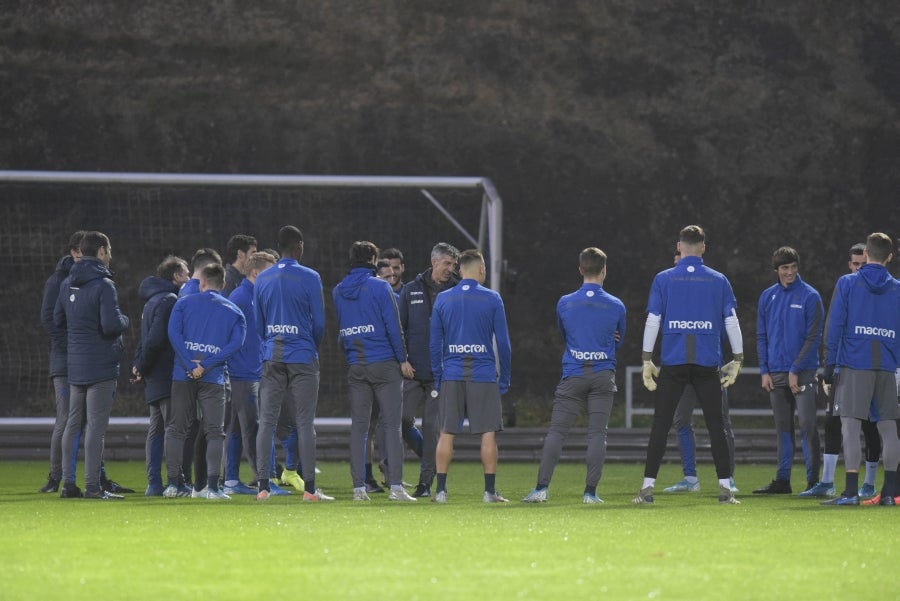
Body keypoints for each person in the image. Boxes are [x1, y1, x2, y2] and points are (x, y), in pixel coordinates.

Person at [634, 225, 743, 505]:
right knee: (716, 426)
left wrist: (646, 359)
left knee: (661, 425)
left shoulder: (663, 278)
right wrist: (738, 358)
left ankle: (647, 489)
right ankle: (725, 490)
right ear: (703, 248)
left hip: (674, 361)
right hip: (707, 362)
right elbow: (731, 321)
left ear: (679, 247)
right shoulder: (719, 280)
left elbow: (653, 320)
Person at [521, 247, 625, 504]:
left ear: (580, 269)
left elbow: (564, 334)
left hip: (573, 373)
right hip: (602, 375)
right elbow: (619, 340)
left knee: (557, 432)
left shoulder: (564, 302)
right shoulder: (616, 305)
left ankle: (541, 489)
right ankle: (590, 493)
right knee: (597, 434)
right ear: (604, 270)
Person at [333, 241, 417, 502]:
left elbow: (342, 330)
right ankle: (396, 488)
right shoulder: (381, 287)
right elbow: (393, 326)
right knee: (392, 426)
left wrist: (351, 356)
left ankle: (359, 489)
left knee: (359, 428)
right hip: (384, 364)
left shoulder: (338, 290)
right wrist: (402, 359)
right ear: (372, 259)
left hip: (356, 364)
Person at [254, 225, 332, 501]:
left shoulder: (262, 279)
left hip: (272, 355)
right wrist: (309, 344)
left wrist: (271, 341)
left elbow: (259, 323)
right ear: (299, 246)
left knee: (266, 422)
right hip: (302, 355)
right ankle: (309, 489)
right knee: (305, 423)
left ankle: (263, 486)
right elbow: (319, 323)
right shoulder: (310, 277)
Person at [822, 232, 900, 506]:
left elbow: (835, 326)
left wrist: (829, 364)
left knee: (850, 427)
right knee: (888, 428)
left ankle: (851, 492)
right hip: (887, 365)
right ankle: (889, 493)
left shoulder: (848, 283)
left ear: (866, 253)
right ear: (889, 257)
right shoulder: (897, 288)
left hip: (855, 362)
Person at [430, 249, 512, 503]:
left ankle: (440, 492)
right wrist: (505, 377)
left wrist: (438, 376)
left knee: (446, 432)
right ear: (481, 269)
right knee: (488, 434)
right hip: (483, 374)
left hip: (452, 374)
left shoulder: (443, 298)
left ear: (460, 270)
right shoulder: (492, 298)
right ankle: (489, 492)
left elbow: (434, 343)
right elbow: (504, 344)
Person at [55, 231, 130, 500]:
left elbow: (58, 320)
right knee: (96, 427)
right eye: (108, 250)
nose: (110, 255)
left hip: (76, 364)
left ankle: (68, 485)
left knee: (73, 424)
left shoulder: (67, 282)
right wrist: (125, 320)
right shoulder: (104, 285)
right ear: (100, 251)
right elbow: (111, 326)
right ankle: (93, 487)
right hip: (100, 365)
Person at [806, 243, 884, 498]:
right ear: (850, 264)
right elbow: (834, 327)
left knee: (870, 426)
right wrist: (830, 364)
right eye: (855, 264)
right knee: (833, 423)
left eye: (863, 264)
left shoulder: (876, 293)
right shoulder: (847, 287)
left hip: (868, 367)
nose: (859, 268)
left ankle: (868, 484)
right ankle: (827, 481)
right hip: (844, 367)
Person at [164, 263, 246, 500]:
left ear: (201, 283)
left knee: (176, 428)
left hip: (183, 375)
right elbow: (236, 344)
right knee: (215, 432)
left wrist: (190, 365)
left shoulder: (183, 303)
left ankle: (173, 485)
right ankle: (213, 488)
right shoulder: (234, 311)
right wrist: (206, 364)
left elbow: (173, 335)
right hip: (213, 377)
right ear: (223, 284)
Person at [660, 249, 738, 494]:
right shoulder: (671, 291)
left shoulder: (710, 287)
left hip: (708, 365)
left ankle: (728, 478)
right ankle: (690, 478)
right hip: (681, 367)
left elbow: (724, 324)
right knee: (681, 420)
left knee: (721, 421)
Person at [754, 247, 824, 495]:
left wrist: (795, 368)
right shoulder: (767, 297)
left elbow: (814, 338)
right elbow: (761, 336)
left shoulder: (810, 296)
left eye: (793, 267)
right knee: (783, 428)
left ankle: (813, 482)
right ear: (776, 270)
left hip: (803, 373)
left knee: (807, 425)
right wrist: (764, 370)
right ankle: (783, 481)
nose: (790, 272)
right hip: (775, 373)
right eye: (785, 268)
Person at [398, 242, 460, 497]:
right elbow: (399, 328)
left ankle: (425, 483)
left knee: (433, 428)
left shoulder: (457, 291)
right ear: (434, 262)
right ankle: (432, 456)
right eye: (447, 263)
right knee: (401, 420)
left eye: (454, 265)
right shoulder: (410, 290)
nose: (451, 269)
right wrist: (402, 359)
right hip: (412, 371)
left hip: (441, 374)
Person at [132, 255, 189, 496]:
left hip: (153, 373)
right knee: (173, 428)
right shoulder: (169, 300)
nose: (189, 278)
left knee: (156, 429)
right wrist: (142, 365)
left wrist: (139, 365)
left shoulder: (152, 301)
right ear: (176, 276)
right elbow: (156, 339)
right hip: (166, 373)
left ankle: (154, 483)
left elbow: (145, 338)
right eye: (186, 273)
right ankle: (176, 481)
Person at [223, 251, 277, 495]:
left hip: (251, 370)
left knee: (236, 428)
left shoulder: (254, 295)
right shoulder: (241, 297)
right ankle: (264, 480)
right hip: (242, 372)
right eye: (270, 271)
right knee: (253, 427)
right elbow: (229, 333)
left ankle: (231, 480)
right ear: (255, 272)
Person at [38, 230, 85, 494]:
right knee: (66, 417)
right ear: (74, 252)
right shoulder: (58, 281)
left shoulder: (86, 279)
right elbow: (48, 318)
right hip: (65, 360)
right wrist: (72, 346)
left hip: (83, 358)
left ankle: (94, 476)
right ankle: (56, 477)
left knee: (88, 420)